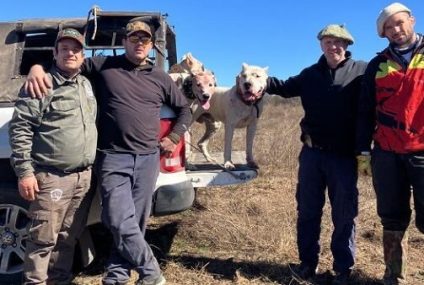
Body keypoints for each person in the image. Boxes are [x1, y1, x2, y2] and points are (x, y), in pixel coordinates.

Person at [26, 18, 191, 285]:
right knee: (116, 218)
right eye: (134, 38)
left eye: (144, 40)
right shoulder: (104, 65)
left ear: (150, 46)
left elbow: (185, 110)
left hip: (148, 159)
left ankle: (116, 277)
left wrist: (174, 136)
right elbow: (68, 62)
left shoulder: (160, 77)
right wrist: (36, 67)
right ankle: (152, 272)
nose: (139, 43)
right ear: (124, 42)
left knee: (134, 223)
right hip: (113, 157)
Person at [266, 24, 367, 285]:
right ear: (321, 45)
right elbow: (284, 87)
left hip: (344, 157)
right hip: (311, 155)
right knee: (308, 210)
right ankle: (307, 264)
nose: (333, 46)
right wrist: (255, 80)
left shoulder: (362, 72)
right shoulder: (310, 74)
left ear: (347, 45)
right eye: (327, 41)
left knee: (344, 214)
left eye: (338, 42)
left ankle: (343, 269)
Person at [9, 28, 97, 284]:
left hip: (83, 178)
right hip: (52, 178)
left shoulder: (86, 84)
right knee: (42, 239)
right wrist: (25, 172)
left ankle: (59, 280)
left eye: (76, 49)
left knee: (68, 237)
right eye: (65, 48)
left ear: (83, 55)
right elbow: (21, 128)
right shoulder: (41, 84)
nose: (71, 53)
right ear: (55, 53)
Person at [356, 2, 424, 284]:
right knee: (392, 218)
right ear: (383, 34)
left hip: (422, 152)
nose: (396, 30)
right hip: (386, 154)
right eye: (388, 27)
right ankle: (394, 277)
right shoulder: (378, 65)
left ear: (412, 20)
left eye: (399, 23)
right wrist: (363, 152)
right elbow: (364, 111)